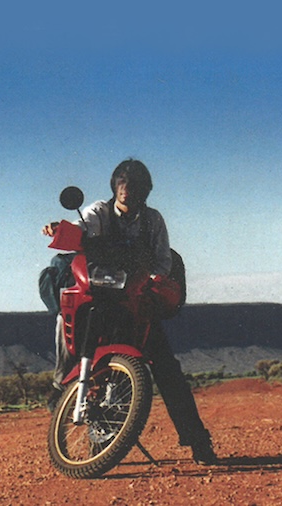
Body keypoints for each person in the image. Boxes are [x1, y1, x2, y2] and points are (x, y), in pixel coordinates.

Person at [41, 159, 217, 465]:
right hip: (100, 296)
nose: (126, 188)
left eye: (134, 183)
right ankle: (61, 384)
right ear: (114, 185)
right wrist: (61, 229)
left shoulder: (153, 220)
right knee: (65, 320)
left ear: (145, 189)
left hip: (135, 300)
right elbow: (82, 229)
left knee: (167, 369)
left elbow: (163, 260)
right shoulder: (100, 211)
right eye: (122, 181)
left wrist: (152, 280)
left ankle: (198, 442)